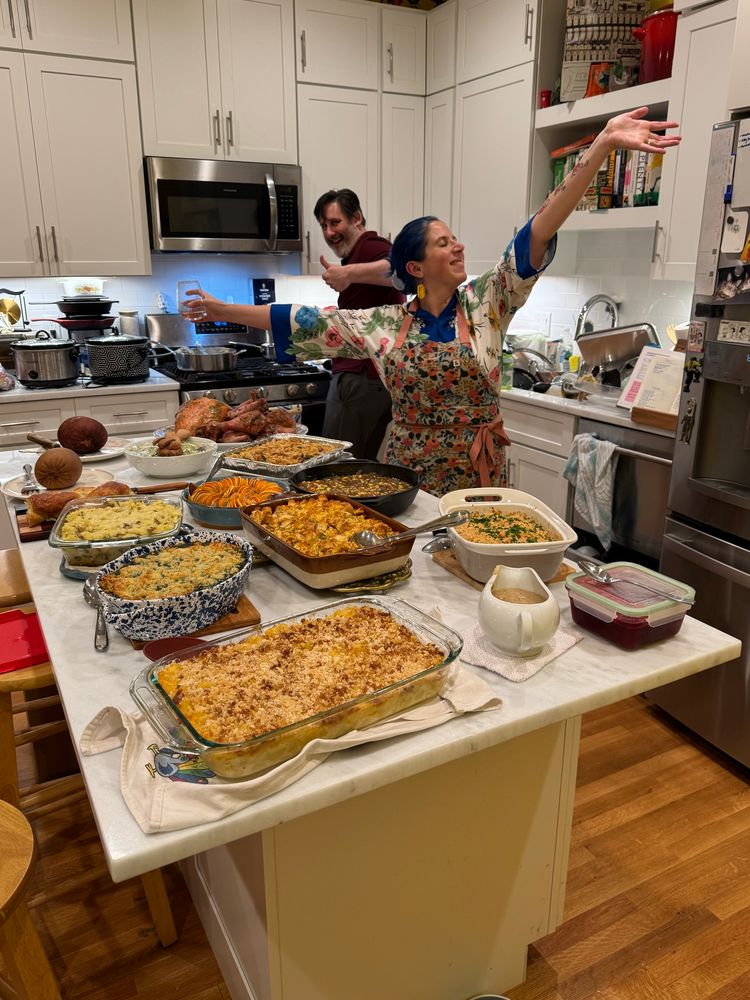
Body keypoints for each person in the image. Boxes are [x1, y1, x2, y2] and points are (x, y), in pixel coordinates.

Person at [187, 108, 680, 495]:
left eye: (455, 239)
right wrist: (222, 310)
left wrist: (600, 148)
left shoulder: (489, 302)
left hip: (479, 481)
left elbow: (540, 227)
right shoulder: (383, 323)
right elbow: (303, 320)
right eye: (444, 243)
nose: (459, 246)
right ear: (417, 269)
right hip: (408, 481)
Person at [314, 188, 404, 458]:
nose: (329, 232)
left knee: (336, 464)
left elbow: (400, 272)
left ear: (357, 219)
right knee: (360, 464)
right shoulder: (358, 254)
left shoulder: (371, 246)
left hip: (360, 378)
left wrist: (348, 274)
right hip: (374, 378)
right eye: (323, 226)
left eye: (335, 222)